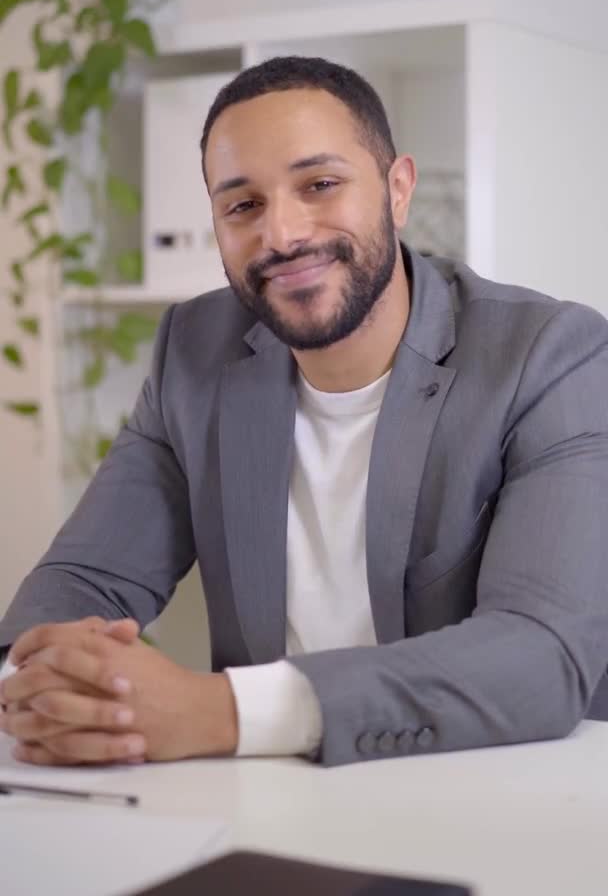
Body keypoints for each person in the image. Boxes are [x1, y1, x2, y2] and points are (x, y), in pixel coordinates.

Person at [1, 56, 607, 770]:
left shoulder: (551, 355)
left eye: (319, 185)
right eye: (242, 205)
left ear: (398, 188)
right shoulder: (193, 352)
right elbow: (85, 581)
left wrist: (216, 711)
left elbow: (541, 653)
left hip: (498, 793)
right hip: (276, 802)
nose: (281, 235)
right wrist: (38, 684)